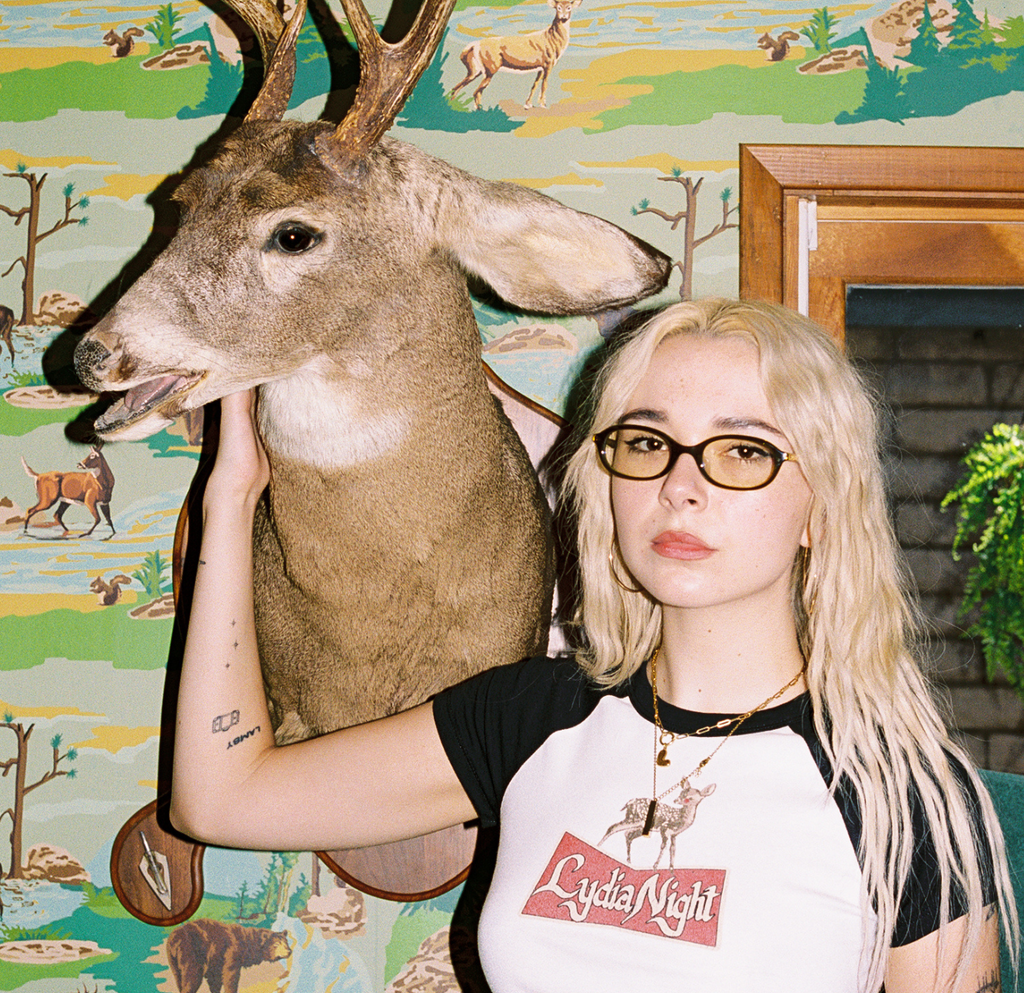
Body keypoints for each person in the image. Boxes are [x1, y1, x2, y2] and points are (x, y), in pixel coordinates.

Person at [170, 297, 1017, 993]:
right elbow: (219, 800)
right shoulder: (531, 716)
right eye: (647, 443)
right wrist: (231, 498)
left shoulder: (904, 797)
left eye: (742, 450)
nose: (680, 485)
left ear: (820, 507)